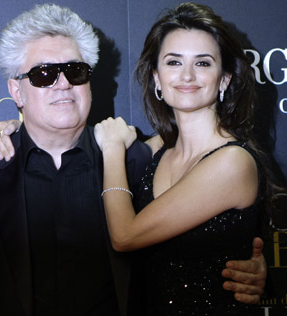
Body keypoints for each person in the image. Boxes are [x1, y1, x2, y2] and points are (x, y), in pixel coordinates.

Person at [0, 4, 267, 316]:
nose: (62, 84)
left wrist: (248, 265)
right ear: (16, 90)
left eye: (74, 72)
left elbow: (202, 237)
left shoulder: (137, 162)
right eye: (44, 74)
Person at [93, 2, 281, 315]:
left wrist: (112, 150)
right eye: (174, 62)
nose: (188, 75)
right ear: (157, 78)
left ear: (224, 80)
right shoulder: (154, 151)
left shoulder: (232, 163)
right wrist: (13, 129)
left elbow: (125, 237)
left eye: (204, 63)